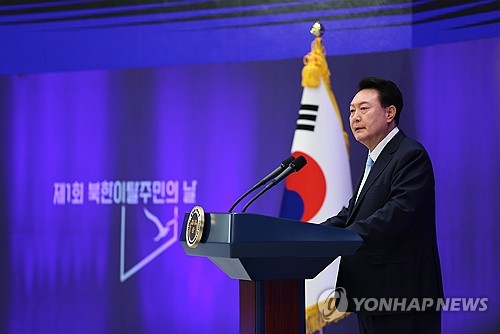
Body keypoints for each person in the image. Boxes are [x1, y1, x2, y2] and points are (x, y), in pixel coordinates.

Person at [322, 77, 443, 334]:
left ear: (390, 112)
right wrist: (313, 234)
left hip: (401, 295)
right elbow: (352, 213)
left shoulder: (409, 154)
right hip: (372, 292)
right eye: (352, 110)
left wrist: (345, 237)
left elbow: (397, 212)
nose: (355, 117)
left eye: (364, 109)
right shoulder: (374, 160)